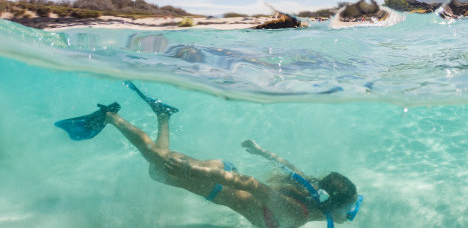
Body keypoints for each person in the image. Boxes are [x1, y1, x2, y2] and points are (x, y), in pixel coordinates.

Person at [55, 82, 362, 228]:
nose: (351, 213)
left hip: (221, 176)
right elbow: (253, 186)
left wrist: (258, 151)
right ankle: (110, 116)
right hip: (215, 182)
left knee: (157, 168)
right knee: (155, 160)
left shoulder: (306, 193)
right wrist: (198, 172)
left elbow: (285, 164)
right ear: (334, 206)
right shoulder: (297, 212)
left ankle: (163, 115)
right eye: (350, 208)